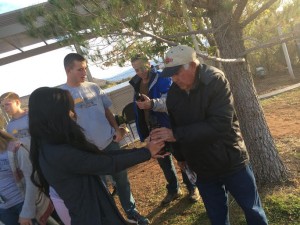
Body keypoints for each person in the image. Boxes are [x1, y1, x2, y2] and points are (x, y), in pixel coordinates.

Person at [150, 45, 269, 225]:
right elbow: (176, 124)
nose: (173, 79)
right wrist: (180, 156)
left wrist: (176, 134)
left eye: (176, 73)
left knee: (253, 211)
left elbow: (220, 125)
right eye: (170, 74)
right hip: (202, 167)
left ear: (192, 65)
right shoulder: (174, 93)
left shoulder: (215, 80)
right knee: (217, 217)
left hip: (231, 159)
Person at [28, 87, 164, 225]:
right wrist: (145, 153)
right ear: (54, 115)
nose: (73, 114)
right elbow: (105, 163)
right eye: (68, 109)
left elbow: (101, 157)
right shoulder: (58, 152)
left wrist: (144, 151)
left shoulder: (49, 146)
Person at [59, 53, 150, 224]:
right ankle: (113, 217)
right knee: (100, 188)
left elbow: (107, 110)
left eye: (85, 68)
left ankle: (131, 212)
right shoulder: (62, 95)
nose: (84, 72)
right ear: (68, 70)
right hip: (87, 150)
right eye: (80, 69)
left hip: (109, 143)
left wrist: (116, 129)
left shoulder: (93, 87)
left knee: (122, 179)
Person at [129, 54, 200, 204]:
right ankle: (174, 189)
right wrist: (144, 132)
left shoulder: (162, 78)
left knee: (181, 157)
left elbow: (171, 101)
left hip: (169, 126)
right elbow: (138, 111)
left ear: (149, 63)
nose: (140, 72)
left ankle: (193, 187)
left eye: (142, 67)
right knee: (163, 161)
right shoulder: (136, 84)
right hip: (153, 129)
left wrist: (152, 104)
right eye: (136, 69)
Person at [0, 130, 52, 225]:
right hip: (4, 211)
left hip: (23, 204)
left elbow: (32, 180)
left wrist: (27, 212)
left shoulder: (15, 148)